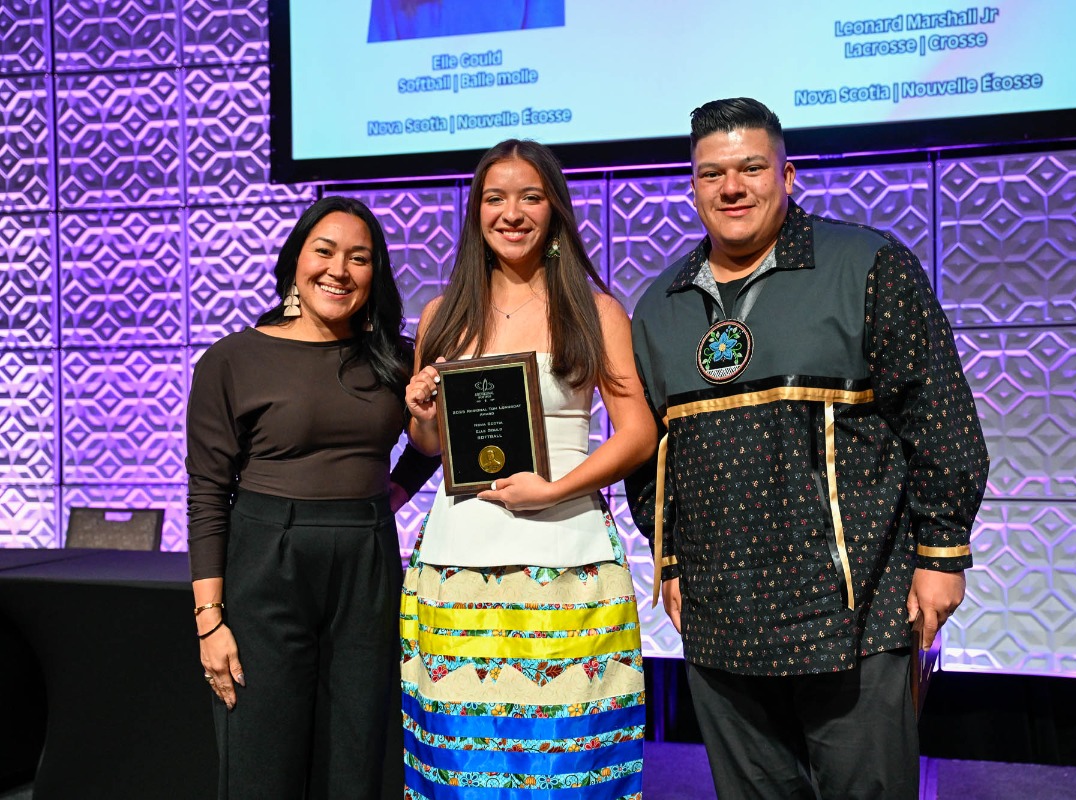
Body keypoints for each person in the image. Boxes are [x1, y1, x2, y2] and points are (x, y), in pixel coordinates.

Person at [625, 98, 989, 799]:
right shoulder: (659, 306)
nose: (732, 188)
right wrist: (668, 557)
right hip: (720, 619)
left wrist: (941, 553)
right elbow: (652, 457)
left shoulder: (867, 265)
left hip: (853, 613)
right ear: (692, 187)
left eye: (752, 168)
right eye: (712, 174)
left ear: (787, 176)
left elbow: (938, 416)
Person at [403, 139, 658, 798]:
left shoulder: (595, 311)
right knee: (464, 764)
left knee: (566, 762)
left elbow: (637, 434)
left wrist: (554, 490)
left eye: (530, 197)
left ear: (555, 210)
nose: (511, 213)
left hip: (567, 560)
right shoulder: (440, 316)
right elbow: (430, 445)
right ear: (475, 212)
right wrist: (421, 411)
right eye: (495, 198)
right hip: (457, 566)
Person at [186, 196, 439, 799]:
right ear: (295, 261)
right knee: (261, 762)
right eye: (324, 251)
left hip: (367, 563)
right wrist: (209, 621)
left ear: (375, 273)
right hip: (266, 561)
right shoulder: (232, 359)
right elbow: (208, 495)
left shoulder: (396, 358)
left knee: (355, 757)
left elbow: (429, 447)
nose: (339, 270)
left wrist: (387, 498)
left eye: (359, 258)